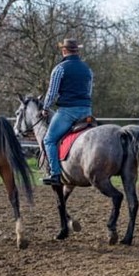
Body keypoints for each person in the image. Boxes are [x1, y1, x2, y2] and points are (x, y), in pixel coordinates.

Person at [41, 38, 94, 186]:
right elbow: (89, 91)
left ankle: (55, 174)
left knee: (49, 140)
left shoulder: (60, 69)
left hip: (68, 112)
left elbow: (52, 93)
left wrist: (45, 108)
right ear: (77, 50)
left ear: (64, 51)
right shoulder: (88, 69)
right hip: (86, 111)